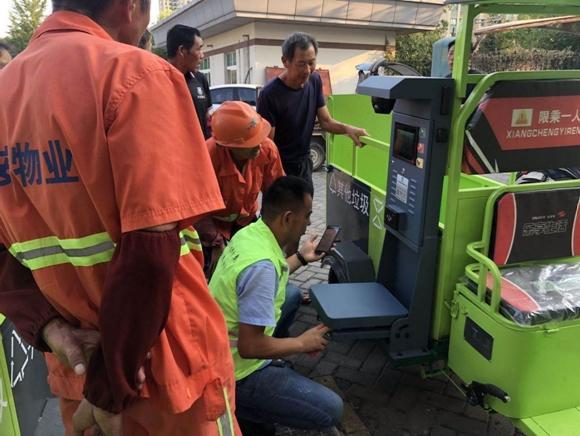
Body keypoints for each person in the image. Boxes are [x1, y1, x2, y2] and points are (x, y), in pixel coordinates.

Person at [0, 1, 239, 435]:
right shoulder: (135, 76)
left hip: (77, 366)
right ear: (131, 6)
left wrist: (49, 328)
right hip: (161, 372)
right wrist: (111, 382)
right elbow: (152, 247)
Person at [209, 176, 343, 435]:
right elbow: (250, 347)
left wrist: (303, 258)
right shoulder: (261, 267)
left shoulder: (251, 234)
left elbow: (272, 273)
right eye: (307, 216)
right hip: (235, 370)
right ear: (288, 218)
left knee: (291, 295)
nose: (307, 224)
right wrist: (302, 343)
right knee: (331, 409)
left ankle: (270, 369)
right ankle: (245, 407)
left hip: (218, 346)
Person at [257, 32, 368, 191]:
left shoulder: (314, 81)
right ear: (285, 61)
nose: (308, 70)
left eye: (311, 63)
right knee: (282, 214)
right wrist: (274, 178)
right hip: (279, 167)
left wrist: (348, 129)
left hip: (304, 163)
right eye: (301, 64)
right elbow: (268, 145)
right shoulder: (270, 94)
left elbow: (326, 121)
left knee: (304, 213)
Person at [196, 101, 285, 277]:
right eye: (251, 144)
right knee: (214, 275)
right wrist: (215, 242)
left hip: (247, 222)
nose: (259, 147)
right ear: (227, 146)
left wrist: (275, 232)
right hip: (212, 227)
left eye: (259, 138)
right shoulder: (207, 157)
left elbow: (277, 194)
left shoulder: (267, 149)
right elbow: (196, 206)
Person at [167, 24, 212, 139]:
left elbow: (207, 119)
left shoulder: (200, 79)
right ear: (182, 51)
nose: (202, 55)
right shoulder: (159, 81)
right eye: (199, 49)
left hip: (202, 150)